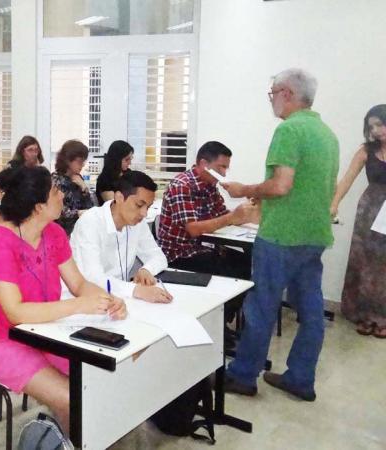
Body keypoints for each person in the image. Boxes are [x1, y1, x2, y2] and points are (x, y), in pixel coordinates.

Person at [0, 164, 126, 434]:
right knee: (72, 396)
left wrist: (109, 300)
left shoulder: (53, 233)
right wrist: (77, 306)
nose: (62, 195)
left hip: (42, 329)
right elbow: (15, 312)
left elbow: (79, 283)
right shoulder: (0, 242)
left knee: (98, 378)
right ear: (38, 206)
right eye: (55, 191)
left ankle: (79, 437)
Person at [221, 68, 339, 402]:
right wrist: (267, 193)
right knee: (312, 310)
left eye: (272, 92)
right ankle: (301, 378)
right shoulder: (326, 134)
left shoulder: (289, 130)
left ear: (287, 92)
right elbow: (310, 187)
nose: (271, 99)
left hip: (281, 236)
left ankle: (243, 375)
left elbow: (282, 185)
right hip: (314, 234)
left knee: (261, 306)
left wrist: (244, 188)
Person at [158, 141, 258, 275]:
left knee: (250, 262)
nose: (223, 173)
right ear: (204, 164)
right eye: (221, 167)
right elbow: (193, 229)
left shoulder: (209, 185)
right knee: (237, 270)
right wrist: (232, 217)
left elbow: (222, 216)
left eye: (226, 168)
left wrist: (247, 209)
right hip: (181, 252)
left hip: (206, 247)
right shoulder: (182, 185)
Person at [70, 170, 171, 303]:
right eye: (139, 205)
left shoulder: (138, 223)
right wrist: (135, 290)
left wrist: (146, 269)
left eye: (148, 207)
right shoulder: (90, 222)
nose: (144, 213)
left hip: (121, 299)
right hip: (87, 301)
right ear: (119, 197)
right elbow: (93, 277)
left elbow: (159, 257)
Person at [330, 104, 386, 337]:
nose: (376, 130)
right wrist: (334, 204)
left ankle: (381, 317)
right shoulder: (365, 151)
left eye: (380, 124)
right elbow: (346, 180)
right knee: (364, 262)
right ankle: (363, 315)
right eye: (371, 126)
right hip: (370, 209)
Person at [51, 140, 94, 235]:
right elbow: (58, 213)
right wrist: (78, 213)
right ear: (67, 160)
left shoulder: (78, 179)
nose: (82, 165)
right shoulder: (56, 180)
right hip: (62, 232)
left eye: (84, 161)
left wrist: (84, 189)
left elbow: (90, 208)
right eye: (79, 161)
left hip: (80, 230)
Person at [96, 140, 134, 206]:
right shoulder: (104, 179)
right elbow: (115, 205)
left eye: (130, 159)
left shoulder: (128, 172)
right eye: (127, 159)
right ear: (116, 159)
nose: (130, 163)